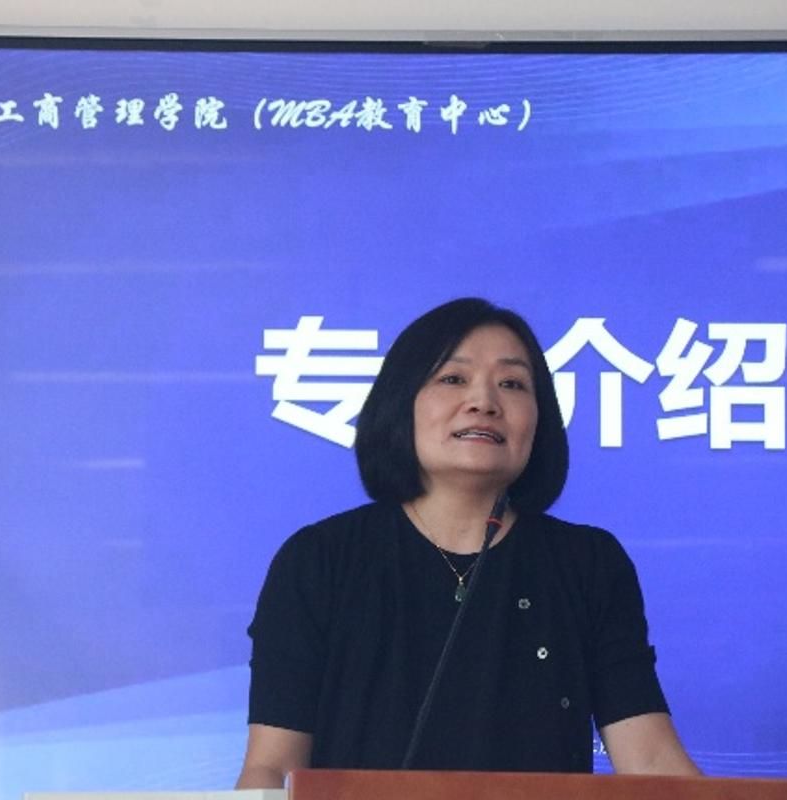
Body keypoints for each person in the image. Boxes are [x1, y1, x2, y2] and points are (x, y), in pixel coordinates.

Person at [237, 298, 699, 788]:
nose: (484, 402)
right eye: (453, 378)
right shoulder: (320, 560)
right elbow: (273, 767)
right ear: (401, 403)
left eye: (512, 384)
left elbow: (651, 760)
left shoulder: (588, 564)